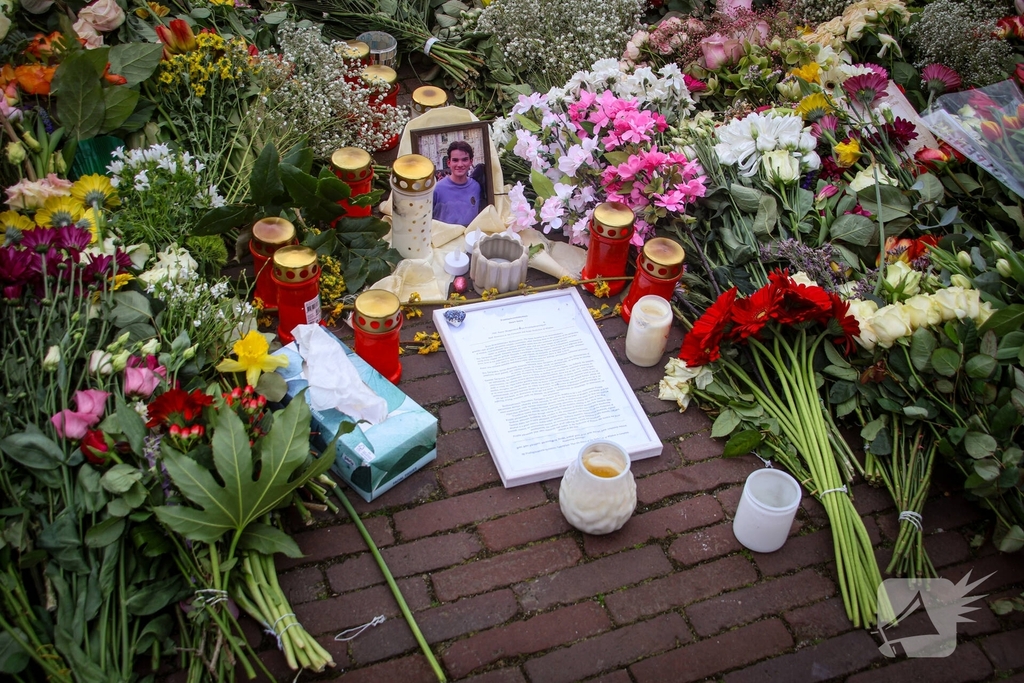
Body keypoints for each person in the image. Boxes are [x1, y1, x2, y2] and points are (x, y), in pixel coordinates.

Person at [433, 140, 484, 226]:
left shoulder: (476, 187)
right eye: (455, 160)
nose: (460, 164)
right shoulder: (437, 189)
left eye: (464, 160)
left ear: (471, 162)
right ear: (449, 163)